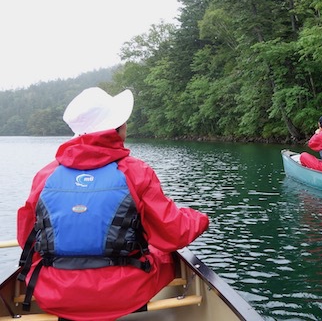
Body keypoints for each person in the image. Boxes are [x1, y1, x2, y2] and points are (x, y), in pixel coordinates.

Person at [16, 87, 209, 321]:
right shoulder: (136, 171)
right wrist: (200, 218)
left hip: (55, 293)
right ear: (117, 128)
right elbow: (175, 233)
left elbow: (25, 238)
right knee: (162, 252)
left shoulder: (45, 175)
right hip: (125, 293)